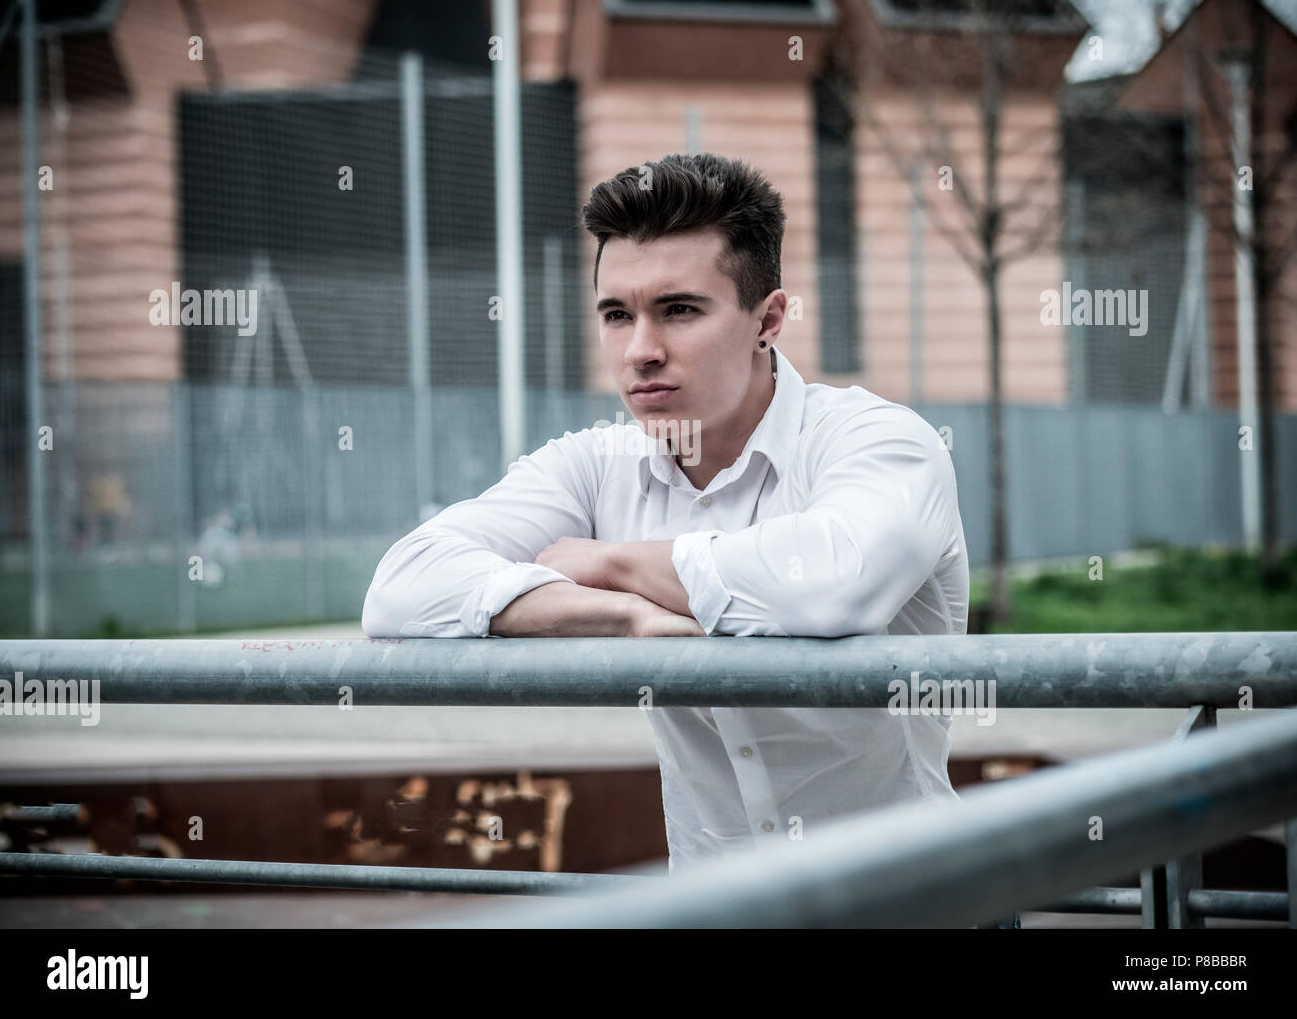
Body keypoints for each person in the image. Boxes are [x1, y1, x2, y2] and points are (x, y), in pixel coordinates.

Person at [363, 152, 974, 888]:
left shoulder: (877, 440)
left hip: (909, 905)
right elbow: (402, 586)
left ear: (767, 319)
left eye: (679, 310)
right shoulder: (595, 464)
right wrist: (624, 616)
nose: (641, 351)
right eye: (617, 315)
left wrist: (611, 559)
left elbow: (833, 582)